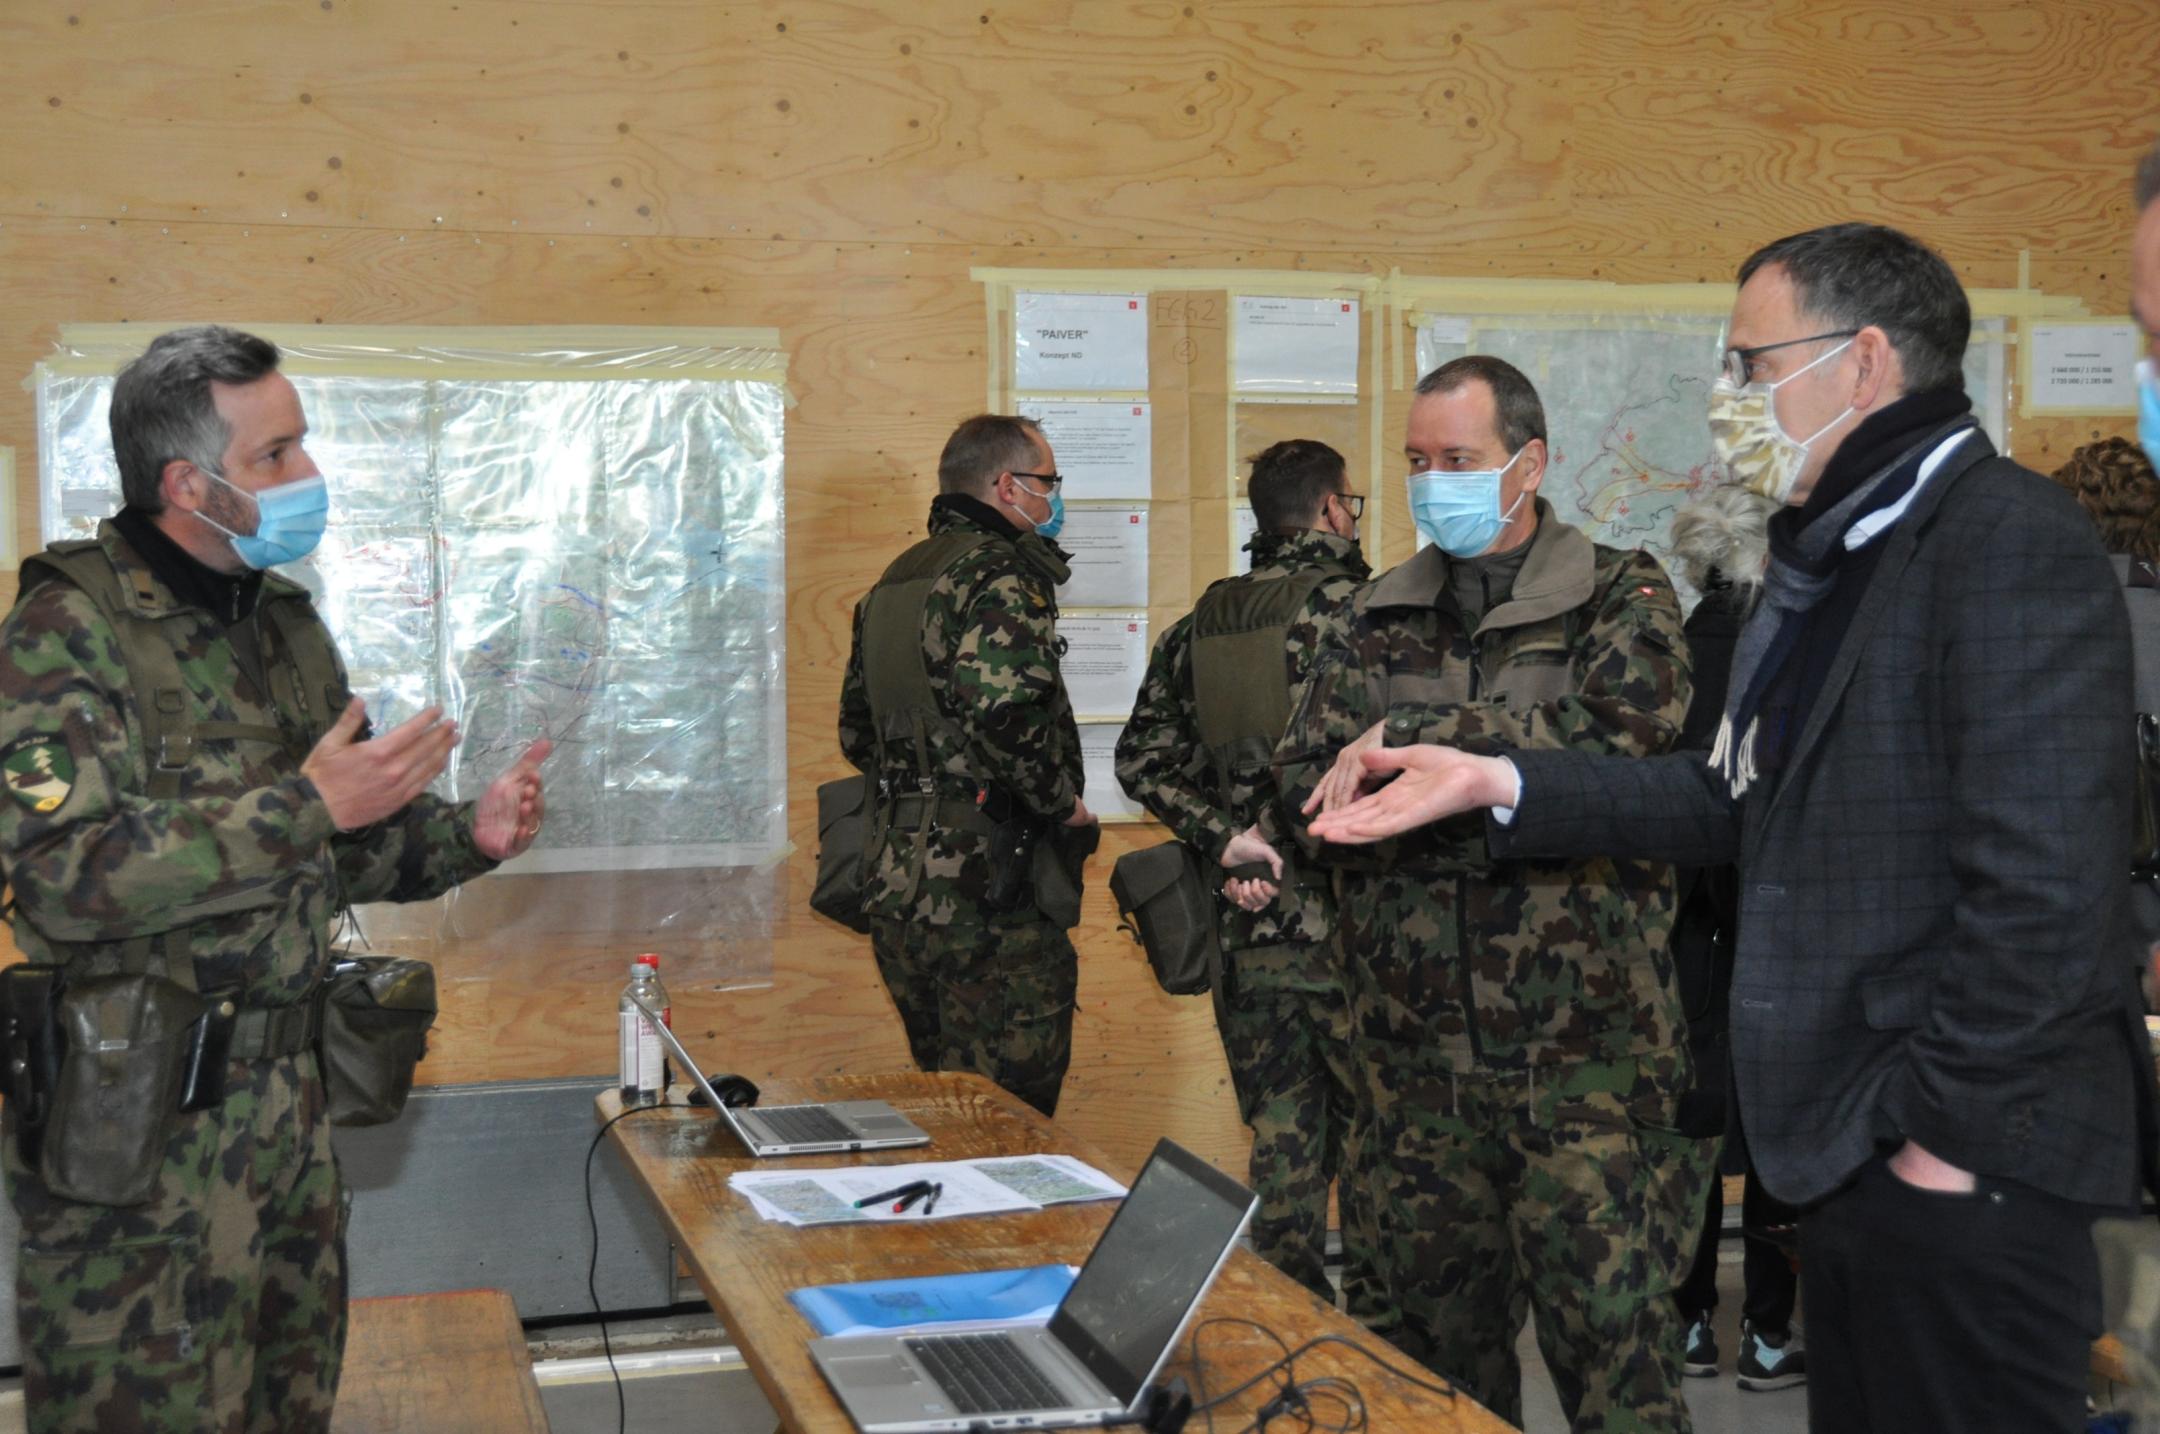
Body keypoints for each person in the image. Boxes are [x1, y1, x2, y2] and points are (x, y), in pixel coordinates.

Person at [1308, 223, 2160, 1434]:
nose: (1729, 398)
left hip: (1962, 1163)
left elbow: (2048, 888)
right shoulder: (1828, 558)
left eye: (1751, 364)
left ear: (1864, 364)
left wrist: (1938, 1150)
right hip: (1857, 1152)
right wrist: (1494, 781)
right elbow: (1732, 800)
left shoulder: (2005, 539)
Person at [0, 325, 551, 1433]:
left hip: (286, 1120)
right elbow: (62, 879)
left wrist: (471, 840)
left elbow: (345, 848)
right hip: (137, 1142)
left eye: (302, 447)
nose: (309, 478)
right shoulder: (70, 625)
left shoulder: (282, 624)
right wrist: (306, 804)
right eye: (277, 455)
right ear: (186, 483)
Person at [1271, 356, 1710, 1431]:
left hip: (1587, 1080)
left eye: (1458, 461)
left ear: (1529, 463)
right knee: (1434, 1393)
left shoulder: (1624, 594)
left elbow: (1623, 749)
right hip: (1412, 1084)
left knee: (1623, 1380)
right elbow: (1305, 783)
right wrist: (1473, 793)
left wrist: (1423, 748)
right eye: (1417, 463)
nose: (1434, 484)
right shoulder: (1369, 613)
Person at [1113, 438, 1373, 1304]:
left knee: (1285, 1137)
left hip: (1251, 924)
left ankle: (1295, 1322)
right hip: (1361, 927)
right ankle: (1391, 1347)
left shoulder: (1204, 625)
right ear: (1335, 508)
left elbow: (1143, 760)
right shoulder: (1371, 612)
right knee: (1386, 1142)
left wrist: (1229, 845)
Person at [837, 414, 1096, 1118]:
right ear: (1008, 487)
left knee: (948, 1103)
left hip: (898, 884)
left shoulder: (894, 584)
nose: (1054, 498)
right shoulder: (1001, 576)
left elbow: (856, 733)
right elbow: (1004, 715)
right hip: (989, 885)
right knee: (1009, 1112)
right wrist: (1061, 804)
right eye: (1048, 483)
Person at [1659, 486, 1807, 1395]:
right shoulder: (1789, 649)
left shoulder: (1667, 649)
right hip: (1774, 910)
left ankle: (1685, 1326)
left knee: (1690, 1118)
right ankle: (1764, 1334)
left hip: (1679, 917)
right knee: (1773, 1119)